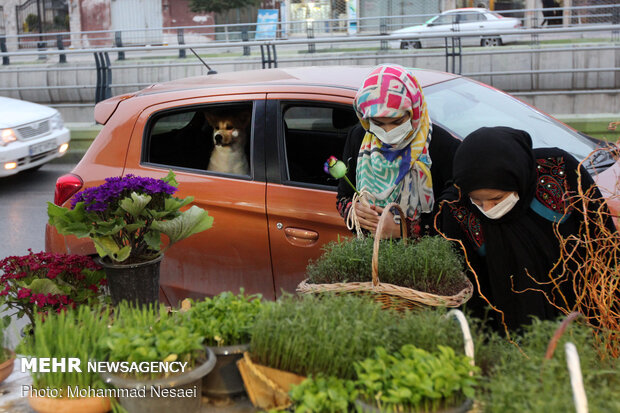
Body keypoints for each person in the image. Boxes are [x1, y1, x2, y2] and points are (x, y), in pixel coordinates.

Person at [437, 126, 614, 330]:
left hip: (587, 314)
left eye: (497, 199)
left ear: (519, 179)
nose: (487, 209)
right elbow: (470, 292)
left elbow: (603, 242)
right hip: (513, 331)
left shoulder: (559, 172)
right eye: (477, 201)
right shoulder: (458, 209)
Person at [336, 64, 460, 239]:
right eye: (378, 123)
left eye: (397, 122)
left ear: (414, 111)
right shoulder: (359, 138)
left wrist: (403, 230)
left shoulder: (442, 146)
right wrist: (355, 212)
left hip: (425, 260)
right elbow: (343, 195)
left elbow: (456, 214)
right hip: (373, 256)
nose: (387, 131)